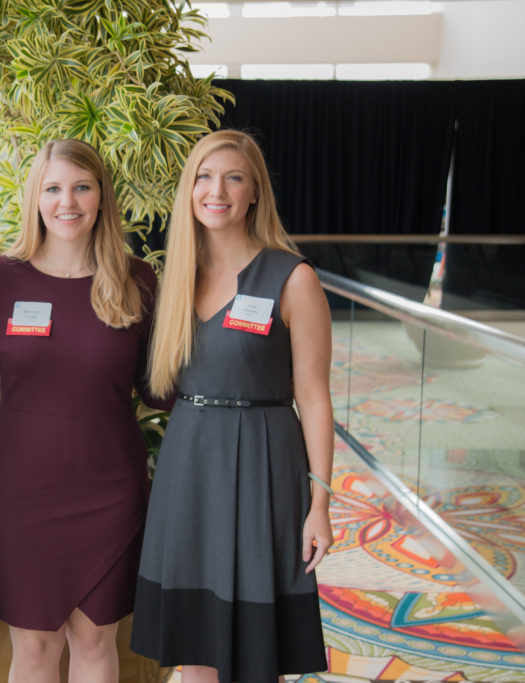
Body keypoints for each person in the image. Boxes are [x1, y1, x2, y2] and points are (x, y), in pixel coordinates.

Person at [131, 130, 334, 683]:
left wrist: (321, 502)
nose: (215, 190)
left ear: (253, 194)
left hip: (264, 463)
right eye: (203, 176)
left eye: (233, 177)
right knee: (194, 644)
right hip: (189, 459)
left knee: (253, 649)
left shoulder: (292, 278)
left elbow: (314, 397)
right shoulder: (177, 279)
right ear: (188, 190)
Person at [0, 139, 169, 683]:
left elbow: (157, 387)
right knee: (33, 648)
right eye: (53, 188)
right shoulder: (1, 278)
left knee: (94, 638)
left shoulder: (136, 280)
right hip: (23, 491)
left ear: (103, 197)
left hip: (110, 487)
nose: (68, 201)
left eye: (82, 187)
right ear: (35, 197)